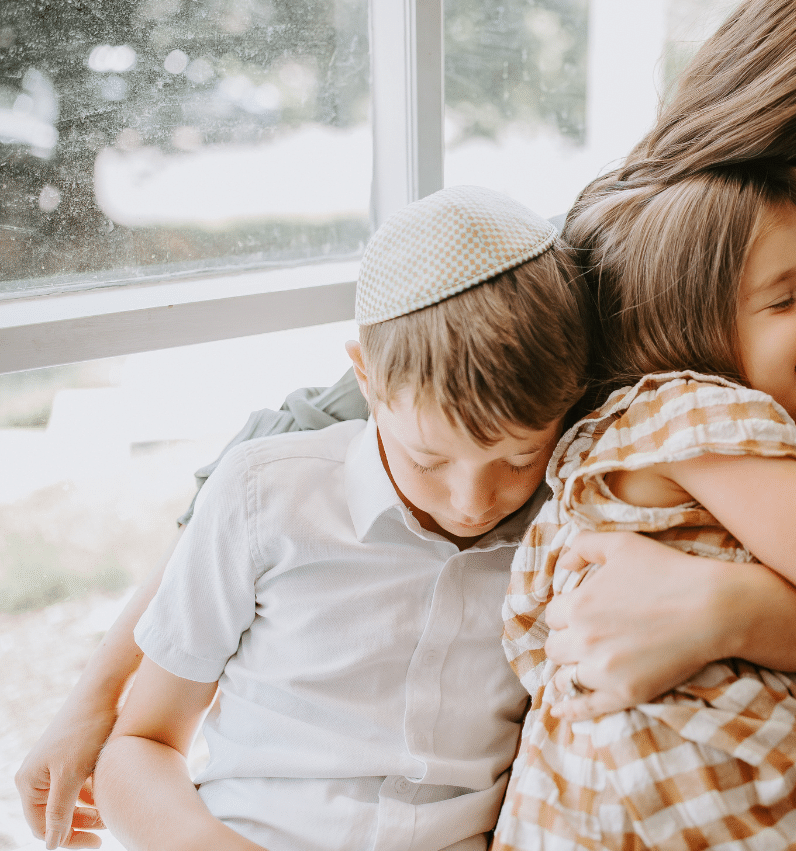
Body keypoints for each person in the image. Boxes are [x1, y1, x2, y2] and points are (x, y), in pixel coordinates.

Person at [17, 1, 796, 848]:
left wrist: (727, 609)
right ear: (761, 116)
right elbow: (307, 444)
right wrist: (97, 700)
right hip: (617, 777)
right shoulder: (622, 267)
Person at [90, 186, 591, 851]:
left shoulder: (564, 529)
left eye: (519, 456)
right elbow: (140, 745)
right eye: (430, 457)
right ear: (366, 378)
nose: (473, 500)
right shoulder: (265, 498)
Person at [496, 166, 796, 851]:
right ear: (692, 329)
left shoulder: (616, 439)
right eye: (783, 300)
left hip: (594, 785)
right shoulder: (705, 413)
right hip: (699, 765)